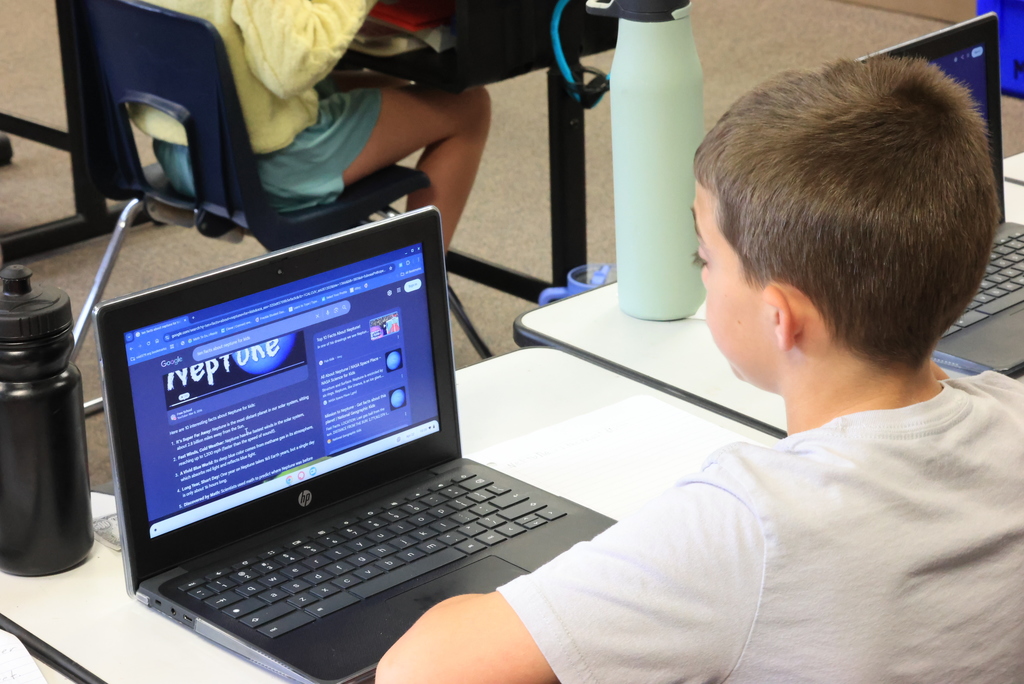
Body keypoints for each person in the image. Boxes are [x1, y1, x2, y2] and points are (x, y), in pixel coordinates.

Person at [375, 55, 1024, 683]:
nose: (701, 273)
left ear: (782, 318)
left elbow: (418, 670)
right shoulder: (1010, 418)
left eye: (704, 259)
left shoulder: (748, 528)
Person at [129, 0, 490, 250]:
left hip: (182, 150)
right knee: (469, 105)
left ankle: (235, 217)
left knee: (399, 89)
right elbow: (295, 67)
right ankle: (419, 288)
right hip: (262, 168)